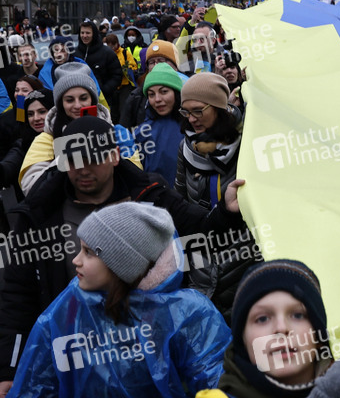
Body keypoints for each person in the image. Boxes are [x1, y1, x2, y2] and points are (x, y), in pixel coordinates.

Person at [0, 116, 244, 393]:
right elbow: (17, 296)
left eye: (93, 158)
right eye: (73, 160)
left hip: (149, 360)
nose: (83, 169)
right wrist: (9, 368)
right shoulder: (38, 214)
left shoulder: (150, 195)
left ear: (115, 155)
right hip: (74, 361)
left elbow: (202, 232)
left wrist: (226, 212)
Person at [7, 202, 231, 396]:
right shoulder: (70, 306)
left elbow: (218, 381)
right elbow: (36, 384)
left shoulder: (186, 313)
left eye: (89, 252)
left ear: (121, 264)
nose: (76, 260)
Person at [197, 259, 340, 398]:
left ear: (319, 333)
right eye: (262, 318)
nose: (281, 328)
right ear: (242, 338)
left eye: (298, 315)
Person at [176, 73, 247, 320]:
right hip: (201, 262)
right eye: (185, 112)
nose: (191, 119)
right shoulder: (186, 148)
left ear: (219, 107)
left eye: (198, 111)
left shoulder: (247, 143)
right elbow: (181, 204)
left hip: (241, 263)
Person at [18, 62, 138, 198]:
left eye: (83, 98)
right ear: (61, 104)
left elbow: (136, 178)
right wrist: (69, 155)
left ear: (92, 100)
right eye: (69, 100)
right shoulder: (47, 138)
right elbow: (30, 187)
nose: (77, 105)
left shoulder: (116, 132)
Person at [134, 64, 184, 186]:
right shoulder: (141, 133)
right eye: (151, 94)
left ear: (176, 93)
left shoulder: (194, 124)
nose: (157, 99)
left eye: (164, 92)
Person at [120, 40, 187, 128]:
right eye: (151, 62)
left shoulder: (190, 91)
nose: (156, 65)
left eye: (161, 61)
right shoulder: (136, 97)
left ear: (175, 64)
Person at [74, 20, 121, 103]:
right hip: (79, 100)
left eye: (88, 33)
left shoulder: (107, 53)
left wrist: (104, 90)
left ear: (94, 34)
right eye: (82, 33)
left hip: (103, 100)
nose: (84, 36)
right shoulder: (74, 53)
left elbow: (117, 76)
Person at [103, 33, 139, 124]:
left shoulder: (124, 52)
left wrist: (126, 69)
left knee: (124, 109)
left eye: (113, 45)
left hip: (124, 86)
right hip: (112, 86)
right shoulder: (105, 53)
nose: (112, 47)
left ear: (117, 43)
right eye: (109, 45)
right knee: (113, 111)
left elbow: (134, 66)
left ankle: (124, 126)